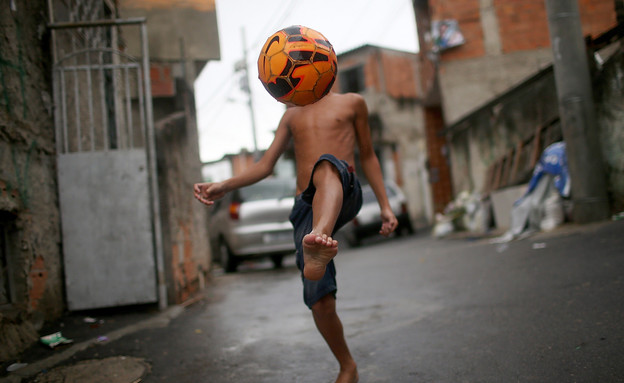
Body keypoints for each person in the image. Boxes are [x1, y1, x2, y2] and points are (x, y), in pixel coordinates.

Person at [194, 91, 398, 383]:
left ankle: (320, 235)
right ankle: (347, 366)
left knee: (327, 164)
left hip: (346, 189)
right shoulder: (291, 116)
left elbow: (367, 154)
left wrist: (385, 206)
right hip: (306, 206)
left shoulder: (353, 102)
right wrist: (224, 185)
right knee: (319, 299)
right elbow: (265, 165)